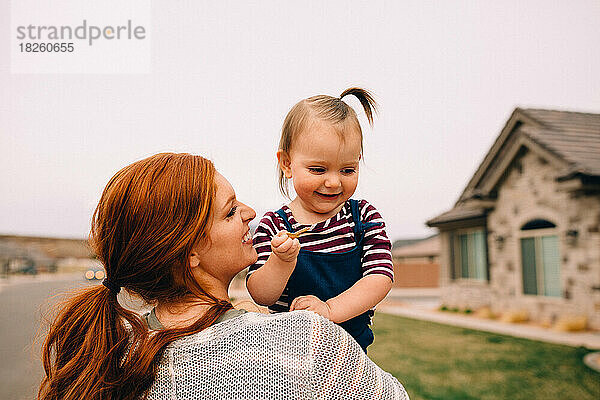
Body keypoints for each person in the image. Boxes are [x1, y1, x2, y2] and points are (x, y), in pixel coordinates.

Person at [38, 153, 409, 400]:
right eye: (230, 212)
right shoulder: (303, 339)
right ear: (190, 252)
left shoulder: (116, 355)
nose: (251, 213)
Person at [247, 88, 394, 352]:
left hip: (352, 353)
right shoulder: (274, 226)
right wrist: (281, 262)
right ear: (287, 164)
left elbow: (380, 278)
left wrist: (329, 310)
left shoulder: (362, 218)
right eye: (318, 169)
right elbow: (261, 294)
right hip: (287, 355)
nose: (333, 182)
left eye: (347, 169)